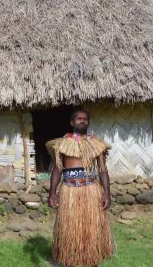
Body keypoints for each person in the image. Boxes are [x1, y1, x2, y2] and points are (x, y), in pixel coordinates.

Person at [46, 109, 114, 267]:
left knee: (92, 230)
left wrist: (107, 194)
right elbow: (57, 170)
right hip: (69, 191)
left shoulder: (97, 145)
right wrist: (52, 193)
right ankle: (70, 259)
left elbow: (103, 171)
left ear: (88, 122)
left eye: (85, 119)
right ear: (72, 122)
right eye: (78, 119)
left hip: (91, 191)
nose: (82, 121)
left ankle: (91, 259)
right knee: (69, 230)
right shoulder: (63, 144)